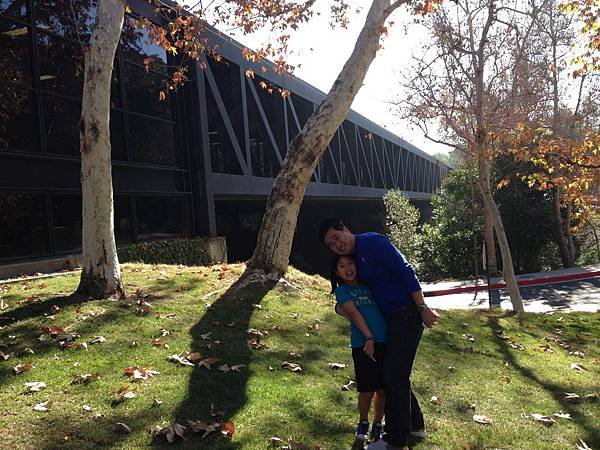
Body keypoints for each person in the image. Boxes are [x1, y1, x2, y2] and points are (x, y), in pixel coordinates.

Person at [318, 217, 440, 450]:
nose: (337, 244)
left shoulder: (373, 242)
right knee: (394, 374)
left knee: (393, 376)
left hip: (405, 313)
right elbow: (354, 292)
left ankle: (396, 441)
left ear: (345, 228)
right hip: (389, 321)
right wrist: (339, 307)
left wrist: (422, 307)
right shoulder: (354, 260)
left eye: (336, 237)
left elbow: (405, 270)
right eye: (331, 245)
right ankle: (415, 427)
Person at [330, 253, 387, 443]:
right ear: (337, 272)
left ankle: (378, 424)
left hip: (385, 341)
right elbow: (353, 314)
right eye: (342, 266)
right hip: (363, 344)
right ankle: (363, 422)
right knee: (367, 389)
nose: (348, 268)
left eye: (350, 263)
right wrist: (369, 337)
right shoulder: (343, 291)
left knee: (382, 389)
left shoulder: (369, 287)